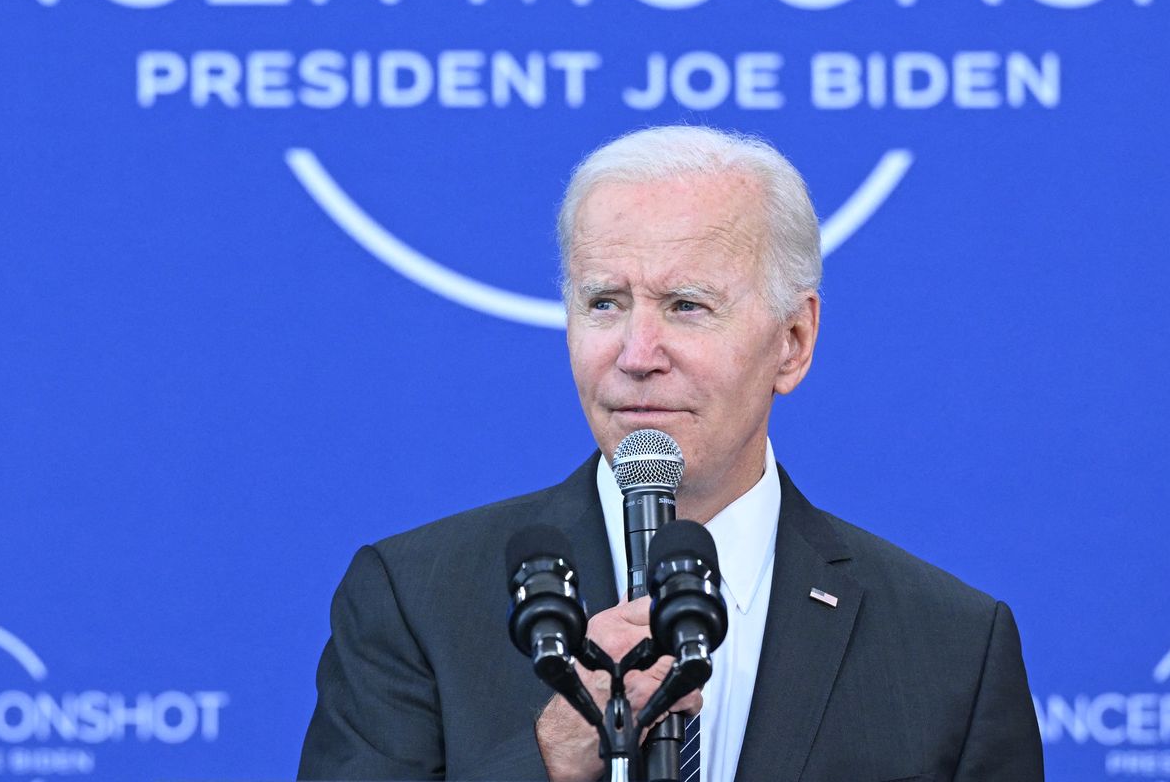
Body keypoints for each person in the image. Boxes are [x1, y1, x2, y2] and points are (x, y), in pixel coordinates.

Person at [298, 125, 1043, 781]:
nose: (636, 353)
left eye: (686, 305)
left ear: (794, 341)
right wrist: (549, 761)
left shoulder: (950, 647)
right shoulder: (414, 600)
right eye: (604, 303)